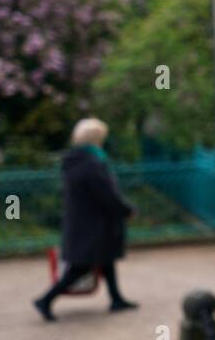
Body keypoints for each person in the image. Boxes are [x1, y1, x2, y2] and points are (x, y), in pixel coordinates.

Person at [33, 118, 138, 321]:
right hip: (93, 224)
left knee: (106, 260)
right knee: (81, 267)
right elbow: (106, 195)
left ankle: (116, 299)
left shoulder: (76, 160)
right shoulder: (91, 163)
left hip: (86, 222)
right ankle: (45, 300)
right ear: (96, 138)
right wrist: (126, 210)